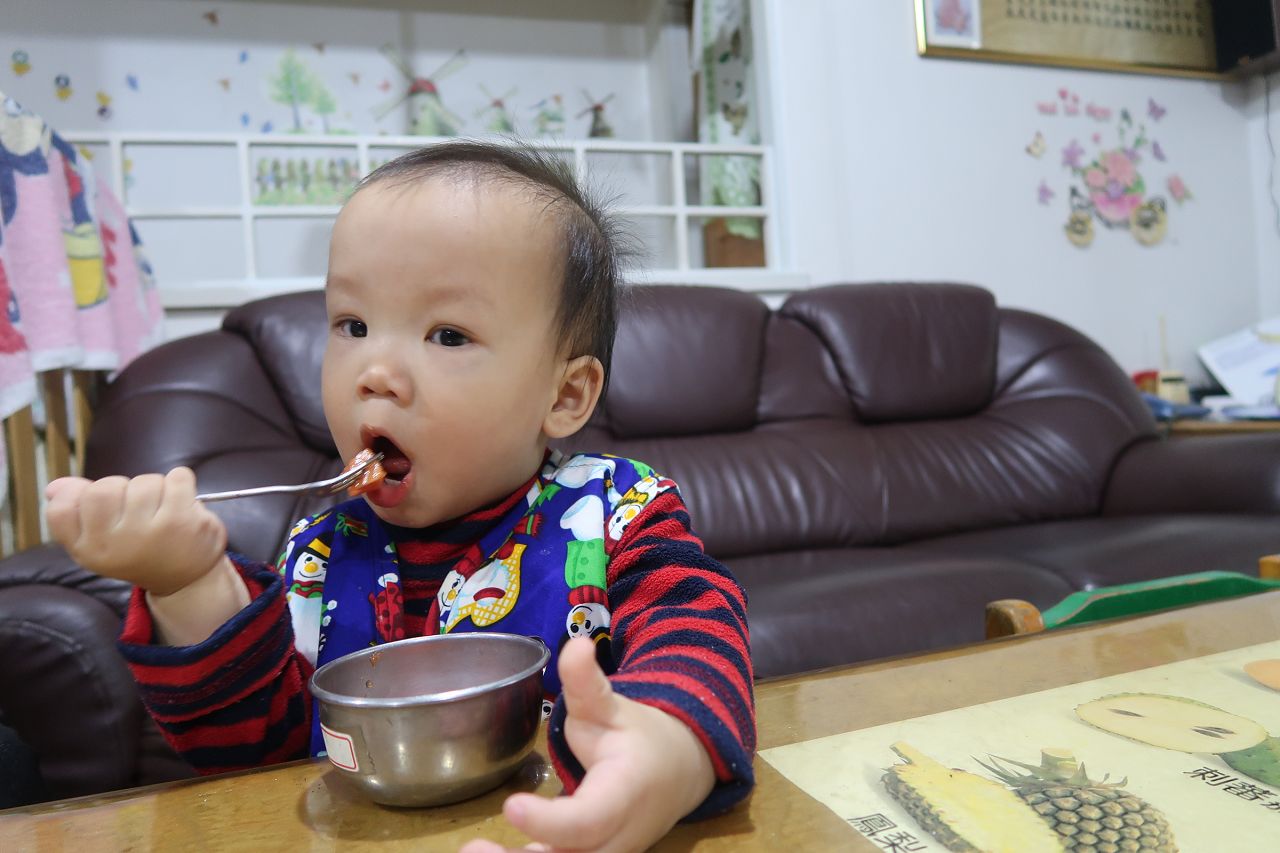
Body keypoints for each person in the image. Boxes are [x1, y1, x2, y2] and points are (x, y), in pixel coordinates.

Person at [45, 141, 755, 852]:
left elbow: (693, 625)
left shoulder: (614, 513)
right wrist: (187, 585)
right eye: (353, 325)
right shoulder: (322, 556)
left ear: (565, 394)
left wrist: (668, 745)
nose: (375, 371)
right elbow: (255, 755)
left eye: (447, 335)